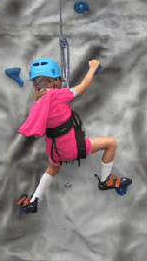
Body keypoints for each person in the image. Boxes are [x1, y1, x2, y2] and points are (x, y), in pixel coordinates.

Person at [17, 57, 132, 213]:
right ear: (55, 80)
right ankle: (105, 181)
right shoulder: (58, 95)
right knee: (111, 143)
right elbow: (83, 87)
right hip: (70, 147)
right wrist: (92, 68)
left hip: (54, 150)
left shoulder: (38, 102)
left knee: (53, 168)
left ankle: (34, 200)